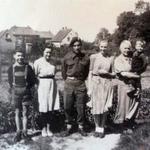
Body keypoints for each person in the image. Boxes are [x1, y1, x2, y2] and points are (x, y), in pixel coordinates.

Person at [62, 37, 90, 136]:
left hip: (80, 84)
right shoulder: (66, 57)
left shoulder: (85, 57)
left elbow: (86, 72)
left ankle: (81, 127)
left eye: (78, 45)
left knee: (81, 106)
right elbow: (63, 73)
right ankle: (69, 126)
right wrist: (69, 80)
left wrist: (80, 80)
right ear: (72, 46)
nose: (77, 47)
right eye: (75, 45)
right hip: (69, 83)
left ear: (81, 46)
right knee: (67, 106)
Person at [88, 40, 115, 138]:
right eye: (102, 47)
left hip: (106, 84)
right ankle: (97, 128)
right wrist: (89, 88)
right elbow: (90, 73)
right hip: (96, 83)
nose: (103, 49)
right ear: (99, 47)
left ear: (108, 47)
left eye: (105, 47)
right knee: (96, 106)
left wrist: (106, 73)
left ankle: (102, 128)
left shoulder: (111, 58)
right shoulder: (93, 57)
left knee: (104, 107)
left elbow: (114, 74)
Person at [114, 40, 142, 133]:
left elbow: (139, 68)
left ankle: (131, 123)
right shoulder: (118, 59)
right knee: (124, 105)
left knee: (134, 104)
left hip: (134, 85)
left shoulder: (132, 58)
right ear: (121, 49)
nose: (127, 50)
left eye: (128, 48)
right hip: (124, 86)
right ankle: (123, 126)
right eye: (125, 48)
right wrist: (136, 75)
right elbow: (124, 73)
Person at [8, 49, 36, 142]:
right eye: (18, 55)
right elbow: (10, 81)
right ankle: (18, 132)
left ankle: (25, 132)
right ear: (14, 56)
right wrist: (13, 89)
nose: (20, 57)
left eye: (22, 56)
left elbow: (33, 80)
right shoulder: (11, 68)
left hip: (26, 92)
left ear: (24, 57)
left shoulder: (28, 67)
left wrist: (28, 87)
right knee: (17, 112)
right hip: (16, 92)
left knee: (25, 112)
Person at [33, 46, 60, 137]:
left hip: (52, 85)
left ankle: (49, 128)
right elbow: (35, 75)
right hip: (42, 86)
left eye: (50, 52)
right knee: (43, 108)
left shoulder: (53, 62)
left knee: (50, 108)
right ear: (43, 52)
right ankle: (43, 128)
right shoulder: (37, 62)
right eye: (46, 52)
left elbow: (54, 72)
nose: (48, 54)